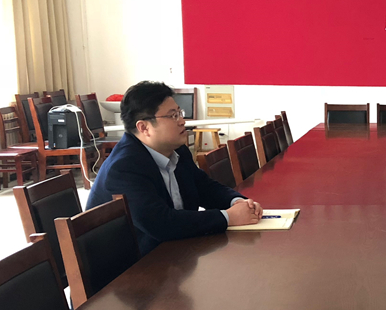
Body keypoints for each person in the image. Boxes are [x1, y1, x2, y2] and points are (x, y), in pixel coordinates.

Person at [87, 81, 262, 255]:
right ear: (144, 127)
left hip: (176, 251)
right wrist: (228, 217)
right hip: (136, 264)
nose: (182, 121)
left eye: (179, 113)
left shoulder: (177, 150)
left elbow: (204, 187)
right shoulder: (124, 168)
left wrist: (237, 202)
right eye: (173, 116)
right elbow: (161, 223)